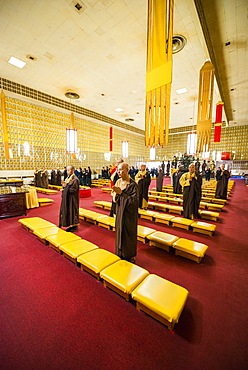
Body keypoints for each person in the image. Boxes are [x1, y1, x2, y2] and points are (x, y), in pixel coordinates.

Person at [112, 162, 139, 263]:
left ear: (127, 170)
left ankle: (129, 255)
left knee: (128, 233)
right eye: (117, 170)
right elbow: (114, 196)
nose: (118, 172)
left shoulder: (132, 185)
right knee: (119, 231)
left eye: (121, 170)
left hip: (128, 216)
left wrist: (122, 194)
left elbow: (134, 202)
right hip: (120, 212)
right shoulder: (118, 182)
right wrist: (117, 195)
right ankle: (119, 252)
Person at [59, 165, 80, 232]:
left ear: (72, 170)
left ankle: (74, 225)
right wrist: (64, 186)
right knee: (68, 211)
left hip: (72, 199)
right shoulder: (68, 178)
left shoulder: (75, 179)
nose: (67, 172)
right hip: (68, 199)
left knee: (72, 211)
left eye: (68, 170)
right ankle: (69, 224)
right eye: (67, 170)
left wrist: (66, 186)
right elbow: (67, 187)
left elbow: (72, 190)